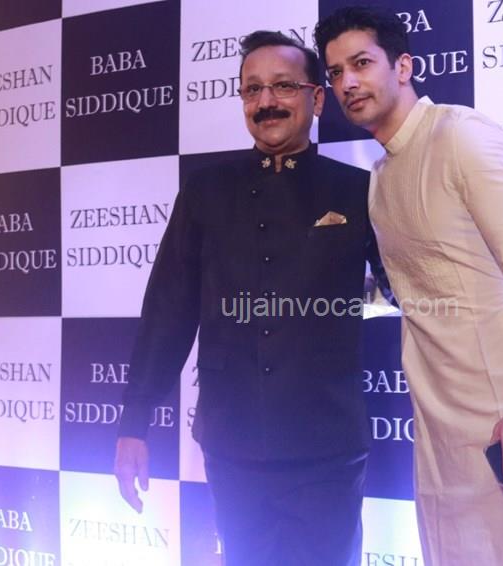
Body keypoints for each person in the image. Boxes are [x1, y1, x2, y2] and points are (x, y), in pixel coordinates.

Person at [316, 7, 503, 566]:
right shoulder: (381, 176)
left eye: (362, 63)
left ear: (403, 67)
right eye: (336, 71)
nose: (347, 82)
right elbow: (416, 289)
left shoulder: (462, 134)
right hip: (441, 434)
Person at [113, 30, 390, 566]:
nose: (266, 102)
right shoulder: (205, 191)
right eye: (252, 89)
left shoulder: (357, 190)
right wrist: (134, 422)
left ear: (316, 98)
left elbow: (406, 286)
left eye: (283, 86)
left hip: (327, 442)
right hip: (231, 439)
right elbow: (168, 310)